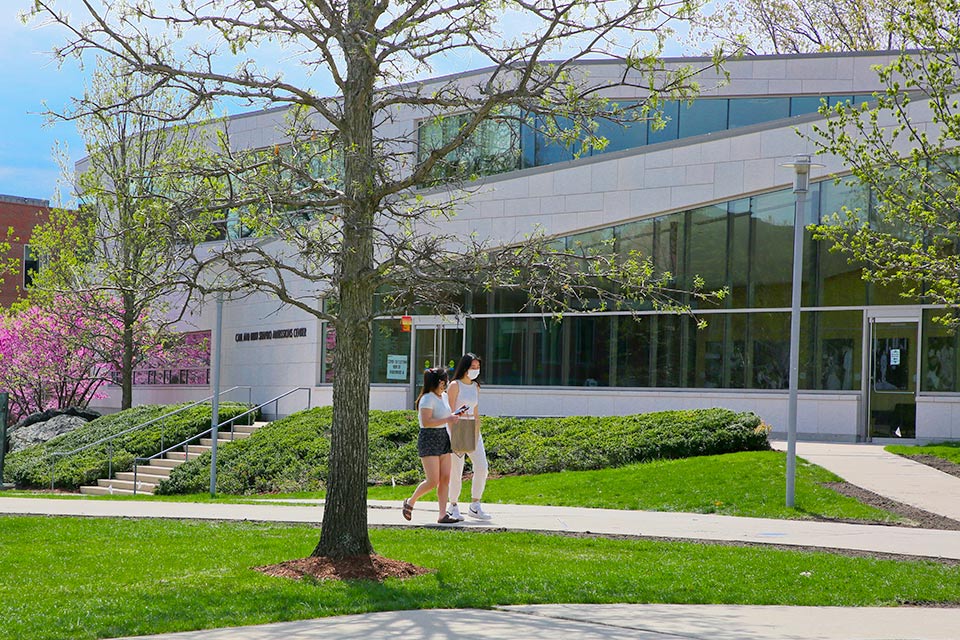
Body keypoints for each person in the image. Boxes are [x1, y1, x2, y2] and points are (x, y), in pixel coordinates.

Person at [402, 367, 461, 524]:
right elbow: (427, 422)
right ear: (440, 382)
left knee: (445, 478)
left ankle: (442, 515)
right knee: (433, 480)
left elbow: (446, 416)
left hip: (442, 437)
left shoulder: (444, 397)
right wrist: (449, 419)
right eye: (445, 380)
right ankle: (410, 501)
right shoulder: (427, 399)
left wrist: (453, 418)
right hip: (429, 438)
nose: (447, 383)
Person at [445, 352, 492, 521]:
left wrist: (477, 430)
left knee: (482, 467)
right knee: (456, 471)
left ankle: (475, 504)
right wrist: (452, 435)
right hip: (457, 429)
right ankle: (453, 505)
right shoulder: (454, 385)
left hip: (472, 428)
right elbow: (449, 411)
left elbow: (476, 410)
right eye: (473, 367)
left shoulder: (475, 387)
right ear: (465, 367)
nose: (476, 370)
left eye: (478, 367)